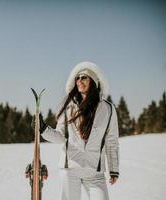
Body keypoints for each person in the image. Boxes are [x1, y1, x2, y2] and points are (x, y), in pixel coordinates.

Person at [38, 61, 119, 200]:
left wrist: (114, 169)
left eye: (84, 77)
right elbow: (60, 137)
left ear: (93, 81)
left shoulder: (108, 109)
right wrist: (43, 129)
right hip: (70, 170)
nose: (79, 81)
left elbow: (112, 140)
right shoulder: (69, 107)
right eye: (77, 78)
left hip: (95, 173)